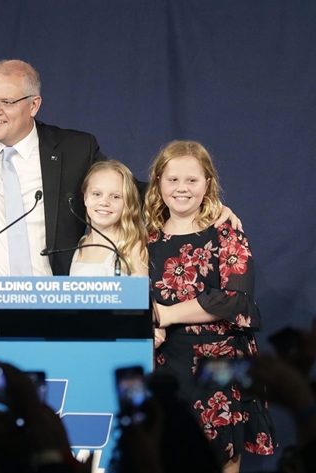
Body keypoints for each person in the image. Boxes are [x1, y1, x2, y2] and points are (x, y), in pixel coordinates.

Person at [0, 14, 241, 279]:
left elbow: (133, 192)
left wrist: (208, 206)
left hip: (53, 299)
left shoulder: (73, 148)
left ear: (34, 104)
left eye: (5, 102)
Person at [143, 140, 274, 473]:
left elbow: (236, 301)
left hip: (220, 367)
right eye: (172, 179)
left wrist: (167, 314)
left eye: (192, 180)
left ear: (207, 185)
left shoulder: (226, 232)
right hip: (164, 365)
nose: (182, 188)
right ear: (158, 182)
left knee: (222, 461)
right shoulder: (145, 238)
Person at [69, 160, 148, 277]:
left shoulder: (132, 248)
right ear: (85, 197)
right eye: (97, 194)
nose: (104, 202)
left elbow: (137, 295)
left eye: (115, 196)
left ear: (127, 202)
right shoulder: (79, 244)